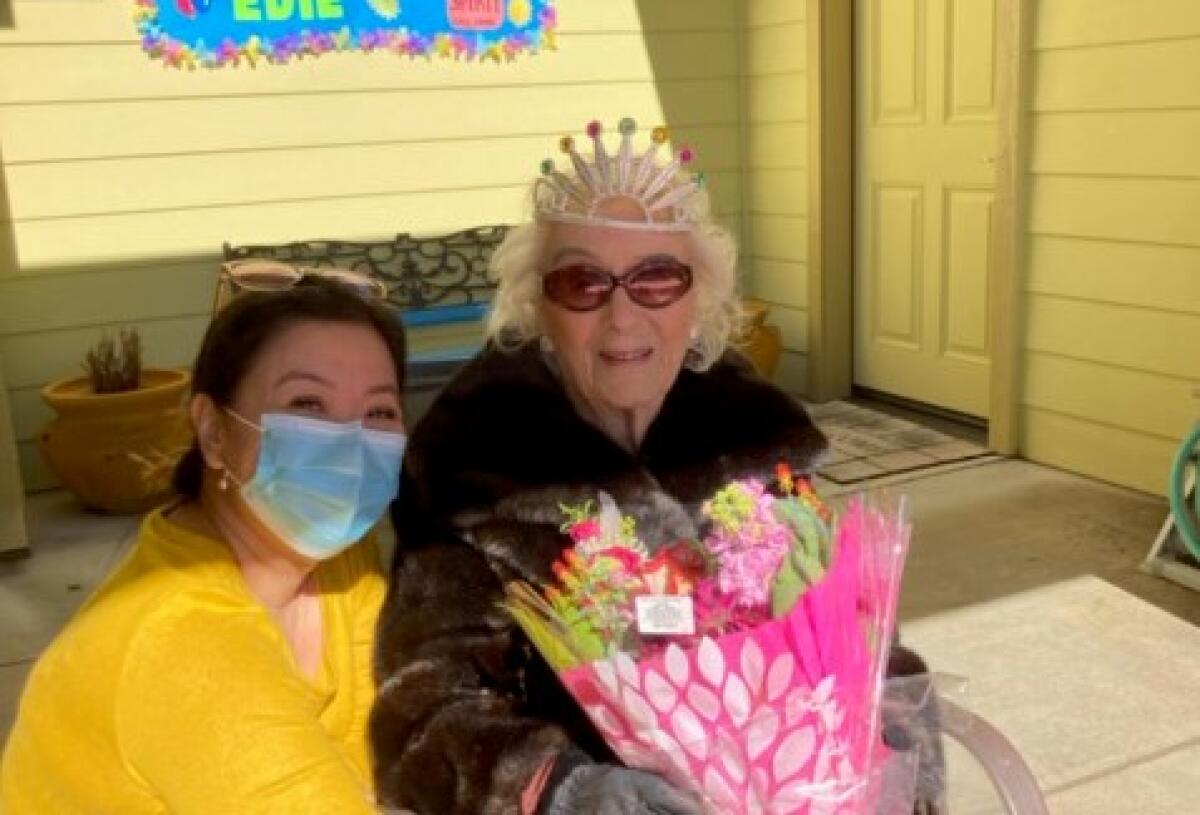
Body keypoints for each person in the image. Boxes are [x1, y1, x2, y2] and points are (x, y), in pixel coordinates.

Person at [370, 119, 941, 814]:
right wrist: (557, 788)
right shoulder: (467, 459)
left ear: (697, 299)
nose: (622, 316)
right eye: (582, 282)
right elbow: (421, 707)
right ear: (538, 306)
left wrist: (893, 746)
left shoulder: (758, 438)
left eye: (657, 277)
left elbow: (856, 637)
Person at [1, 278, 408, 813]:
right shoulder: (180, 643)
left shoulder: (335, 558)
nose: (349, 444)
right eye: (307, 403)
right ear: (214, 432)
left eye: (379, 411)